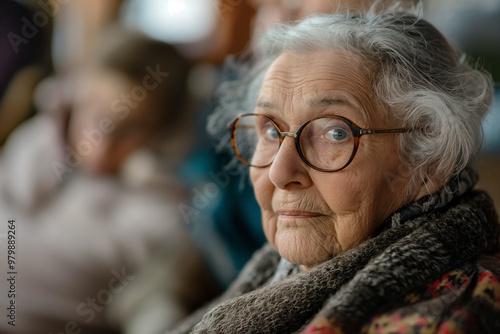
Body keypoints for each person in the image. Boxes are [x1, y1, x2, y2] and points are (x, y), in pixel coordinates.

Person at [170, 8, 500, 334]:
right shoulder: (278, 272)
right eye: (271, 130)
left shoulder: (448, 320)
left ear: (431, 160)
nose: (280, 173)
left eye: (335, 133)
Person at [0, 26, 217, 334]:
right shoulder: (37, 139)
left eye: (128, 129)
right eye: (93, 113)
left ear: (163, 132)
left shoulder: (169, 210)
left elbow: (152, 302)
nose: (98, 146)